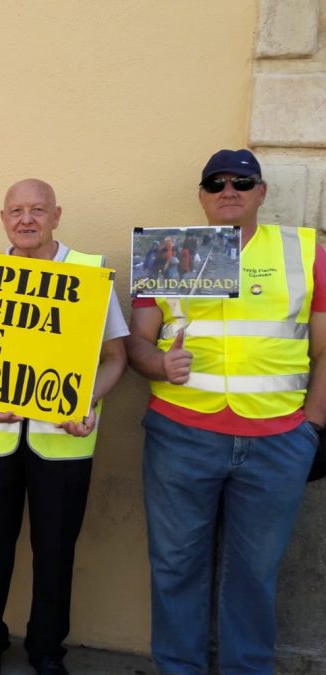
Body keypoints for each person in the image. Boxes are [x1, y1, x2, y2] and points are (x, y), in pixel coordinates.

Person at [127, 149, 326, 674]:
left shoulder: (305, 252)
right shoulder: (166, 252)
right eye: (216, 183)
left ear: (262, 193)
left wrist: (314, 427)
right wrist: (157, 363)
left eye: (242, 181)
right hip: (181, 434)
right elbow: (138, 345)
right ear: (202, 195)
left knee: (255, 573)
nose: (228, 190)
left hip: (278, 440)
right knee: (174, 567)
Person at [0, 179, 128, 675]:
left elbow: (115, 357)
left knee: (55, 552)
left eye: (37, 210)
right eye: (16, 210)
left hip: (64, 443)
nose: (26, 219)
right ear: (3, 217)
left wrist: (87, 397)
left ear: (57, 214)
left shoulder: (89, 274)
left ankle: (47, 649)